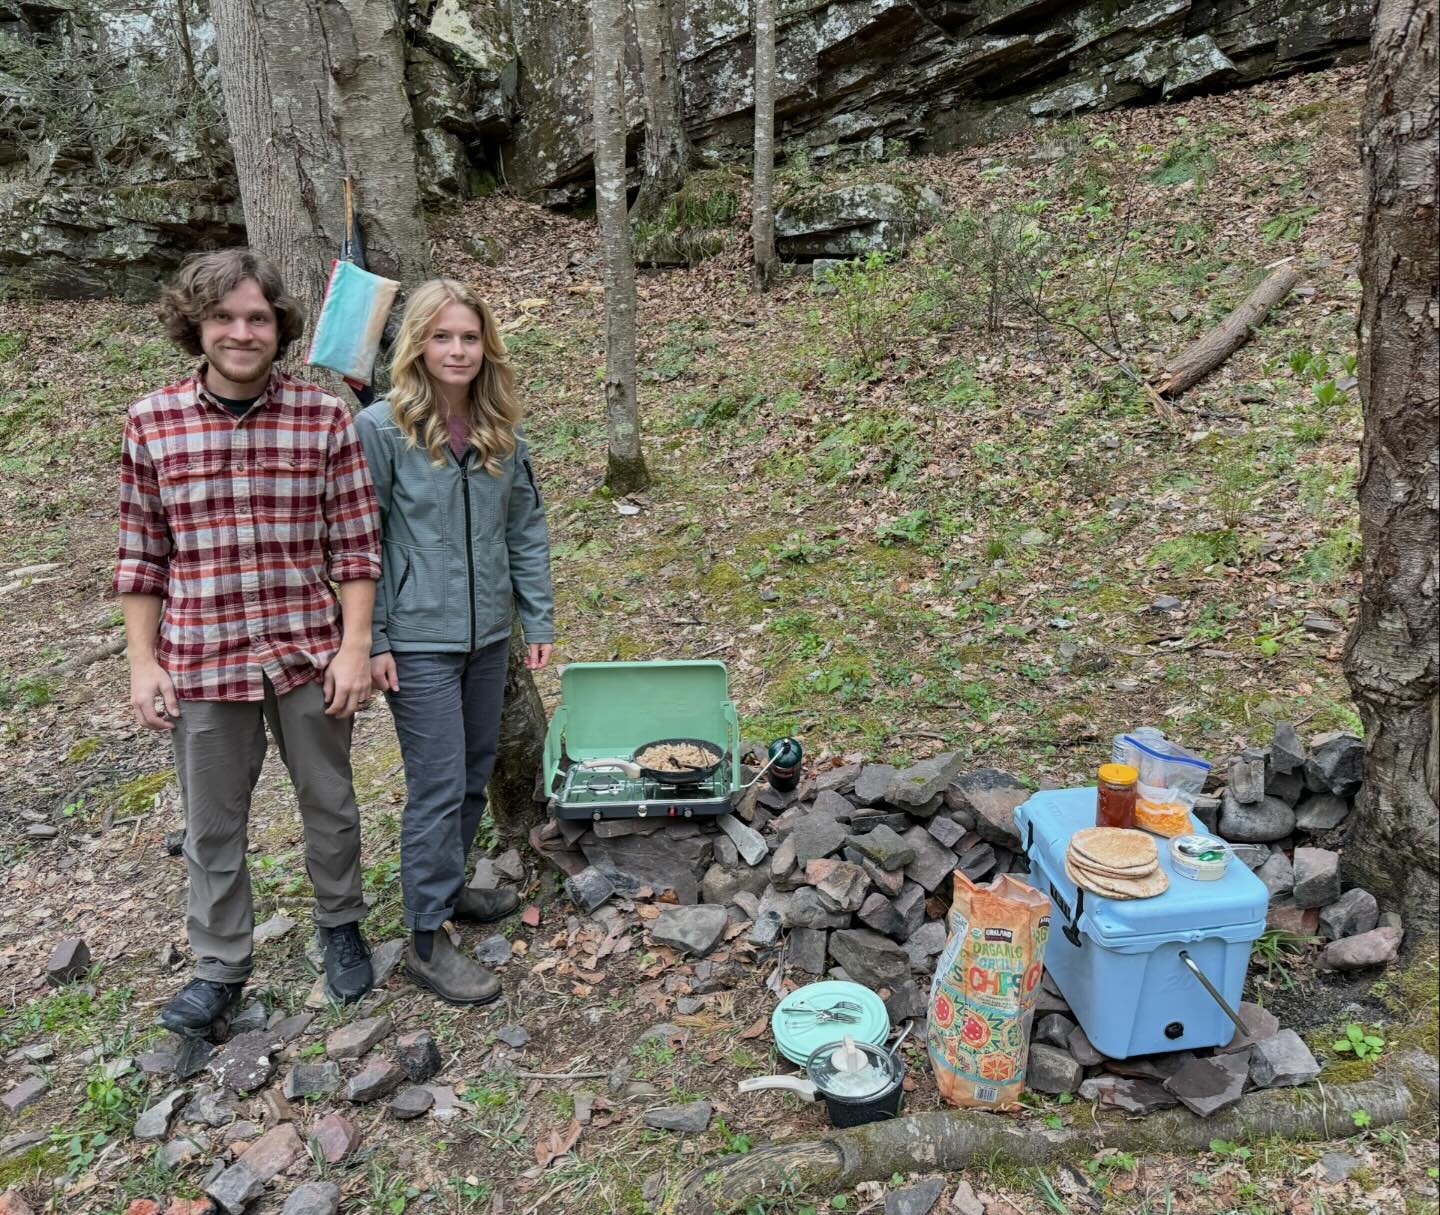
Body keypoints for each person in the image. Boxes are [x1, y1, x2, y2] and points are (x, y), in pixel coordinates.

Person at [115, 249, 381, 1032]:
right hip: (201, 654)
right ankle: (220, 966)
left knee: (329, 803)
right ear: (196, 326)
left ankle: (341, 924)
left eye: (257, 317)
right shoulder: (151, 422)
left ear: (279, 327)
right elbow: (141, 555)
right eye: (224, 317)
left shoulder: (323, 416)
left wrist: (355, 645)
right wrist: (142, 661)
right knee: (211, 822)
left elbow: (357, 547)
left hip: (307, 649)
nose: (241, 331)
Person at [355, 279, 554, 1006]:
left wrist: (538, 618)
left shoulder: (501, 427)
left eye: (469, 336)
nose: (457, 349)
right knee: (437, 783)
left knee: (473, 769)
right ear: (417, 344)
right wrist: (371, 637)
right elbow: (357, 543)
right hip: (416, 638)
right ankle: (426, 937)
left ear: (486, 345)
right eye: (442, 336)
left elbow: (524, 528)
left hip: (487, 633)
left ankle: (449, 888)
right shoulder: (380, 429)